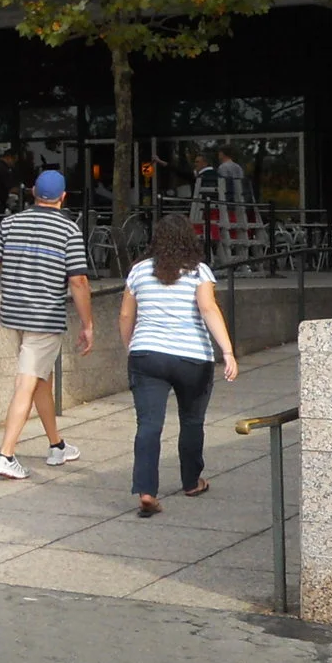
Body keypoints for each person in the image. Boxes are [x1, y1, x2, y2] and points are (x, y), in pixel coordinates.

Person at [0, 168, 95, 479]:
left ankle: (57, 446)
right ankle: (5, 455)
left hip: (15, 315)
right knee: (26, 382)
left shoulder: (10, 223)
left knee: (39, 379)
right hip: (44, 318)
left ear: (33, 193)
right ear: (63, 197)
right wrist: (87, 324)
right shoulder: (69, 231)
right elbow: (79, 281)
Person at [119, 212, 239, 515]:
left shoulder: (139, 271)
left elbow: (124, 316)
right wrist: (227, 351)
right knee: (192, 421)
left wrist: (130, 346)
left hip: (147, 354)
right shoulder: (199, 272)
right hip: (192, 357)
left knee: (148, 425)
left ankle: (146, 490)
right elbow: (208, 309)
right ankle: (191, 481)